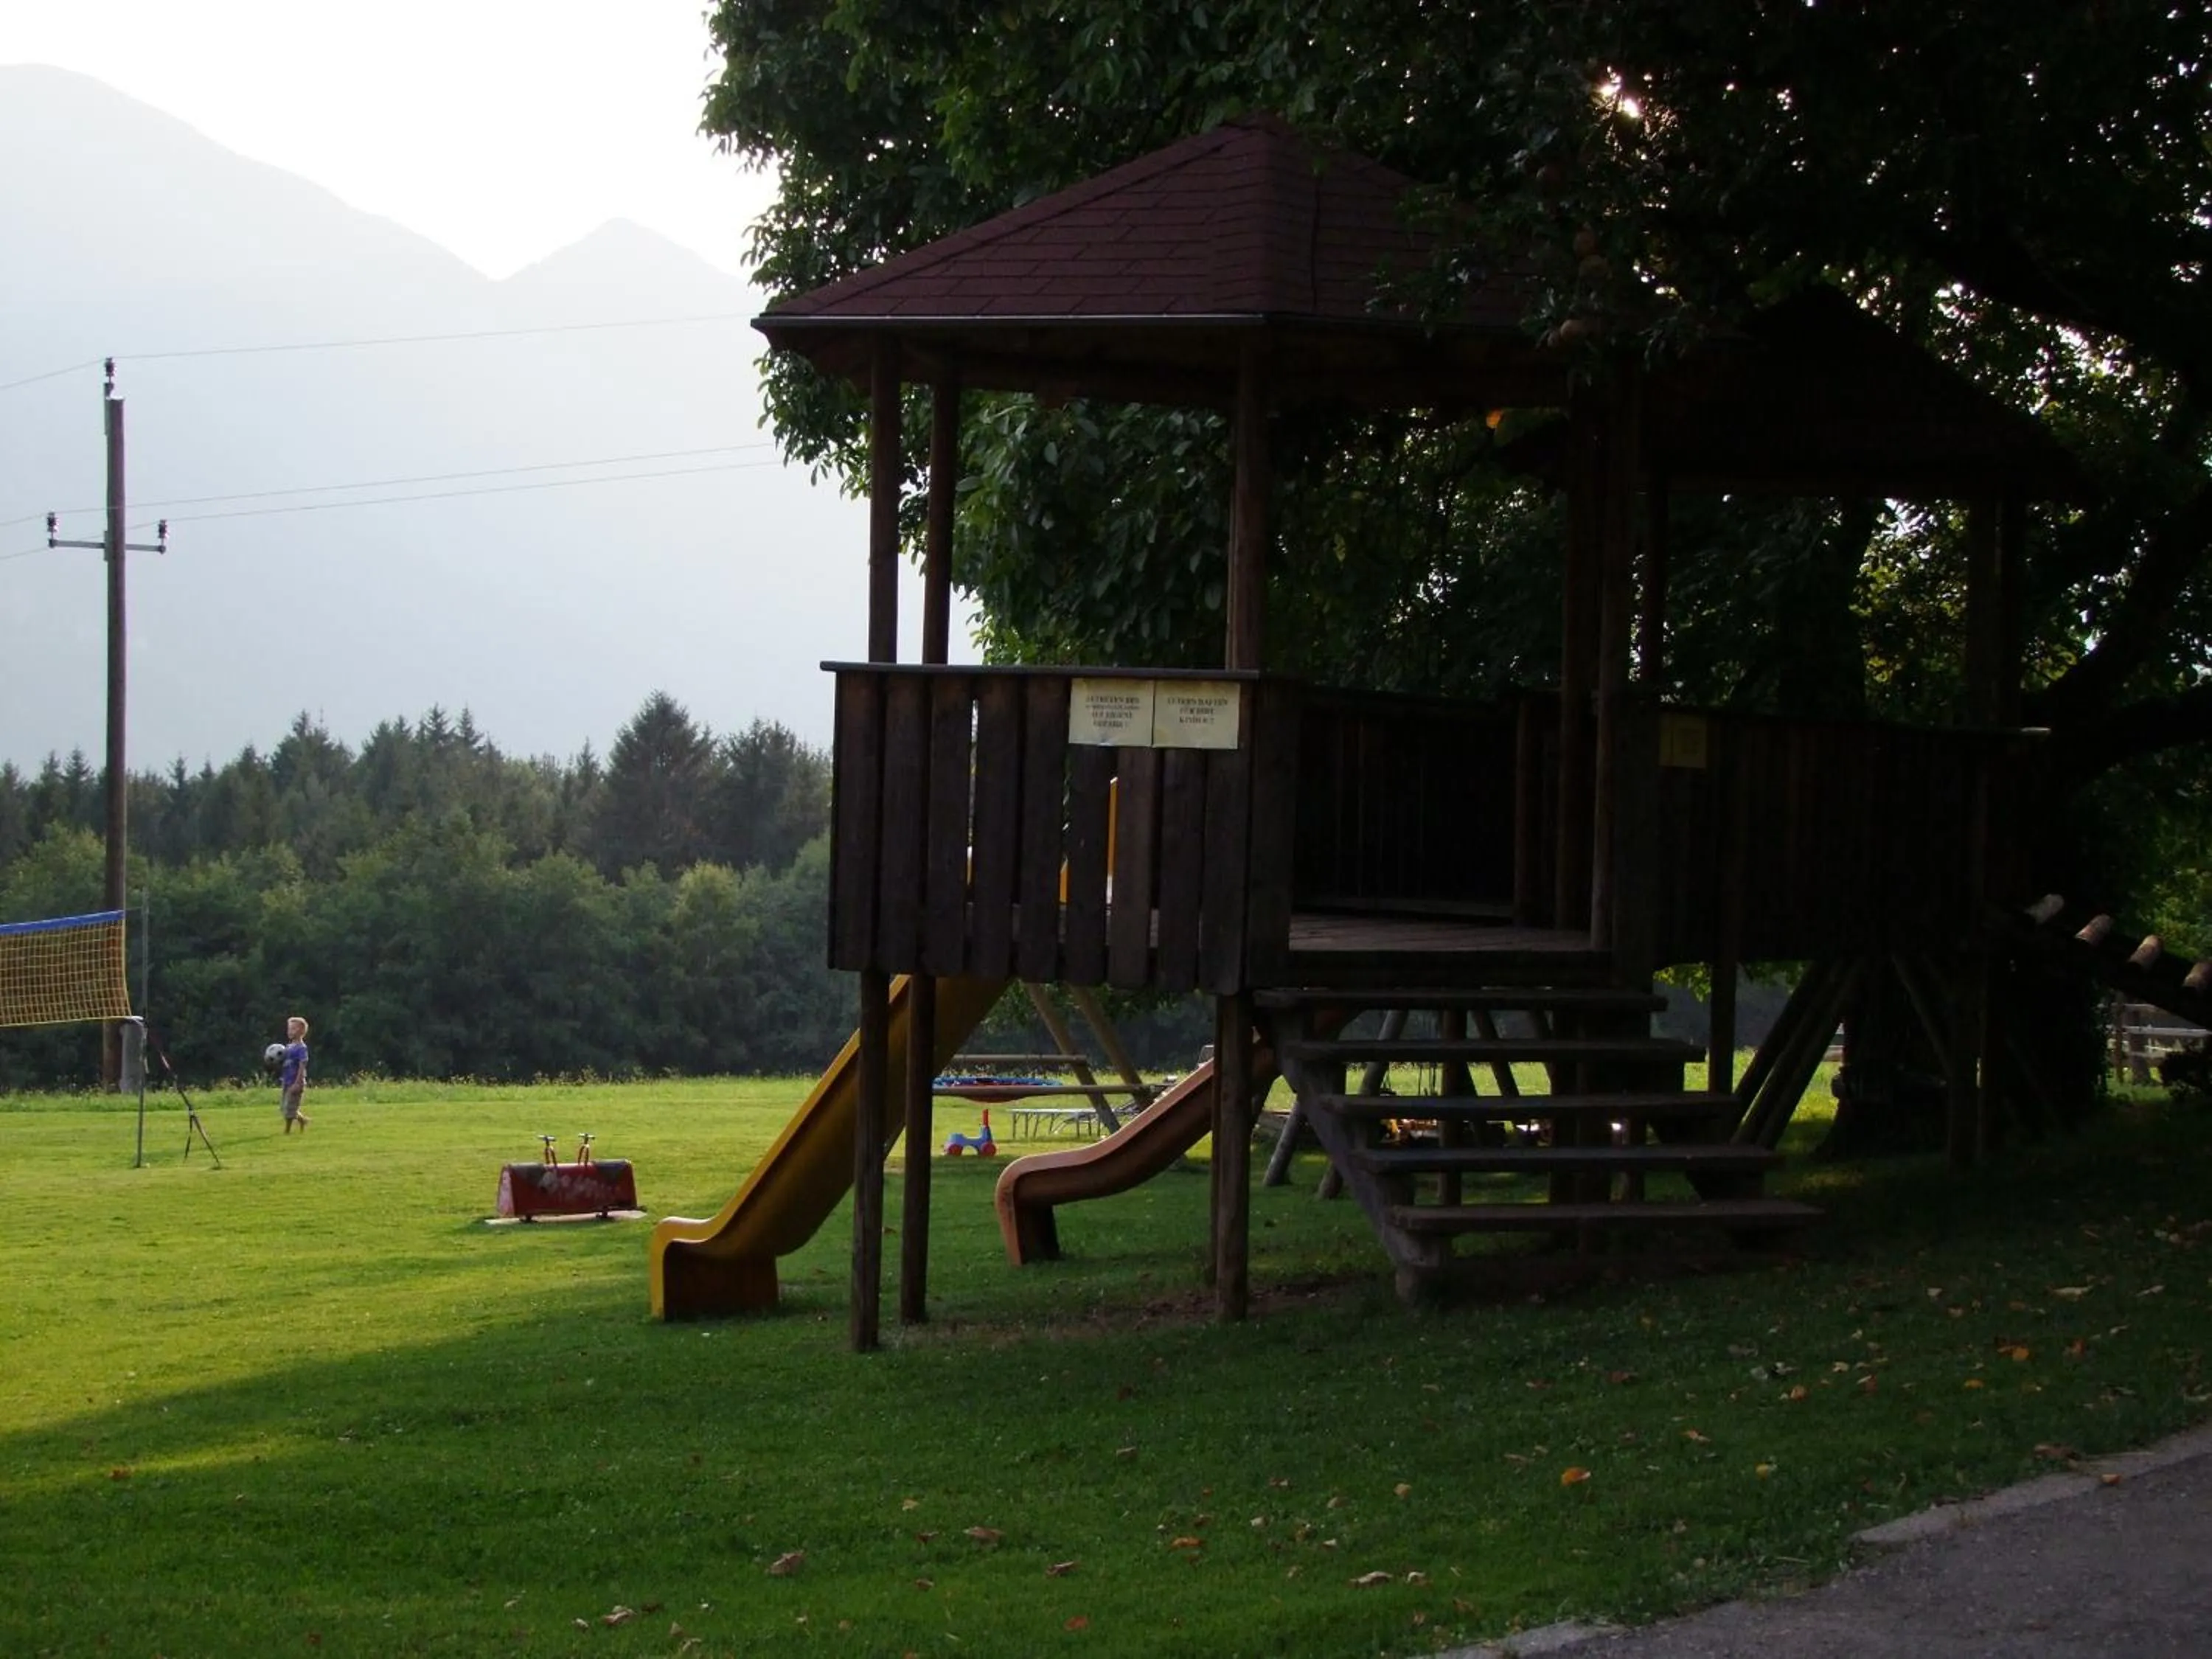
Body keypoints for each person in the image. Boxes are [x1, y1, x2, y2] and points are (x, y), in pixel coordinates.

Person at [279, 1015, 311, 1133]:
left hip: (296, 1082)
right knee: (285, 1107)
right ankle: (302, 1120)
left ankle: (287, 1130)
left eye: (293, 1029)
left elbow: (303, 1064)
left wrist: (298, 1082)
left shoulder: (301, 1048)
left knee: (290, 1108)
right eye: (289, 1029)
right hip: (287, 1081)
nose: (290, 1031)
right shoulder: (287, 1048)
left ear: (301, 1032)